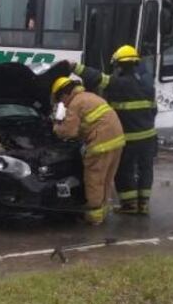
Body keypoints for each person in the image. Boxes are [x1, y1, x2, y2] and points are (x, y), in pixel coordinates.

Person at [71, 45, 157, 215]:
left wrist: (75, 67)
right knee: (145, 168)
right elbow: (154, 110)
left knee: (125, 169)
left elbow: (97, 78)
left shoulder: (120, 83)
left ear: (119, 65)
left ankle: (130, 205)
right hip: (149, 136)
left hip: (129, 137)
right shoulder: (148, 85)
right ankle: (143, 204)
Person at [51, 75, 125, 226]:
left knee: (94, 180)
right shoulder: (90, 96)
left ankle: (94, 217)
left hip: (101, 144)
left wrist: (56, 127)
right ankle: (103, 211)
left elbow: (69, 131)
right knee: (106, 179)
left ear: (64, 94)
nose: (62, 104)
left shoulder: (75, 103)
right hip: (117, 141)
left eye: (61, 100)